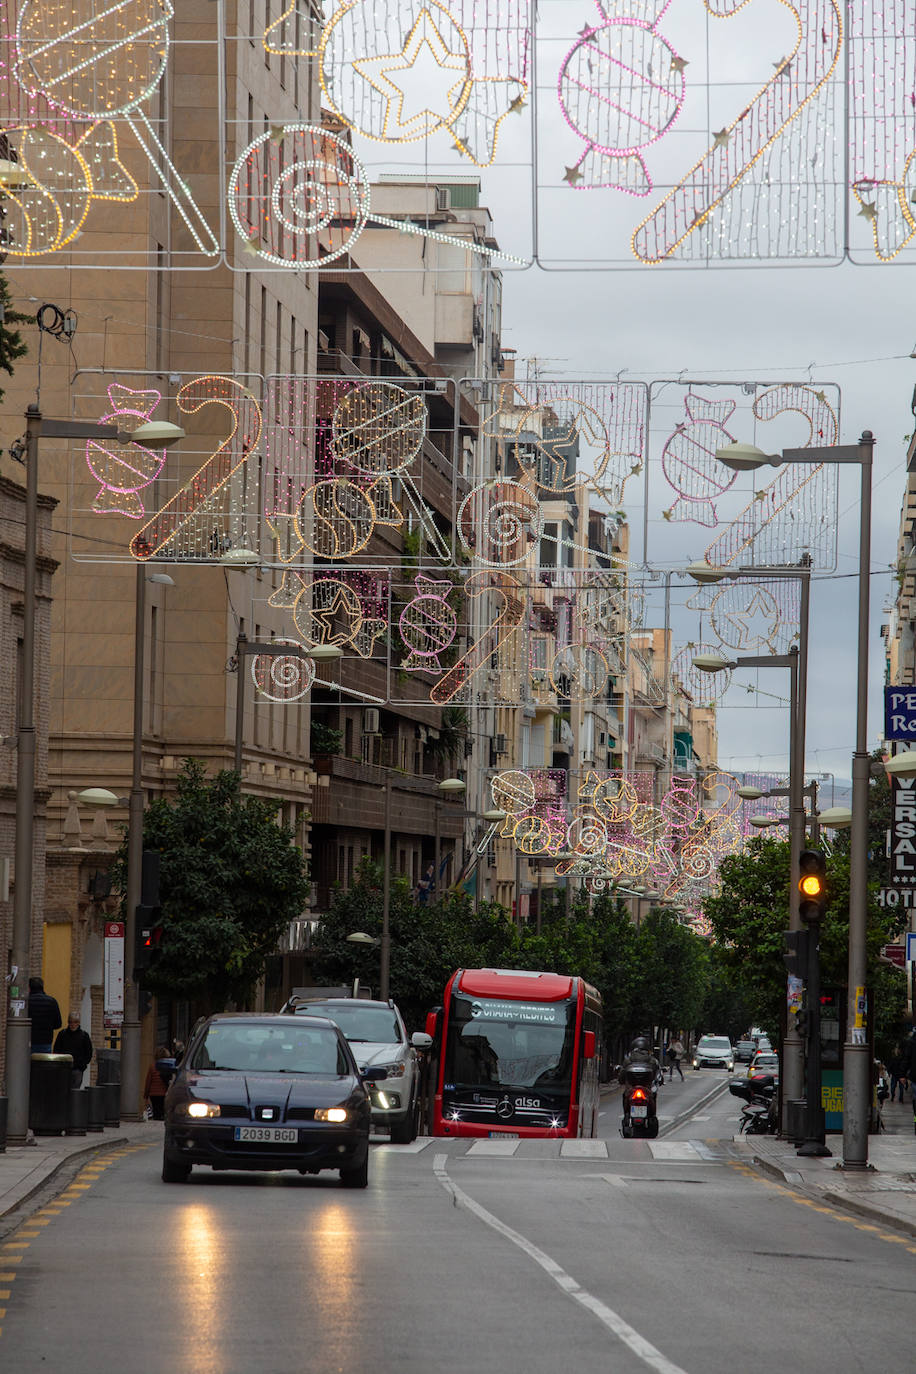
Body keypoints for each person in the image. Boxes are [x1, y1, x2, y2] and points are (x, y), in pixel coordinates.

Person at [54, 1011, 94, 1089]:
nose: (72, 1024)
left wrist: (82, 1065)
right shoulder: (62, 1034)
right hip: (64, 1068)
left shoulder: (84, 1036)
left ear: (78, 1023)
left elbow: (88, 1052)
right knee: (64, 1089)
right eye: (70, 1022)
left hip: (77, 1069)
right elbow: (56, 1050)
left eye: (75, 1022)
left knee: (75, 1091)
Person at [27, 975, 62, 1054]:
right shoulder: (52, 1001)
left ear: (29, 988)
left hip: (28, 1040)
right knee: (42, 1064)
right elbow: (58, 1024)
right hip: (45, 1041)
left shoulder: (27, 1002)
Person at [144, 1045, 174, 1120]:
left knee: (156, 1112)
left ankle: (155, 1121)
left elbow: (148, 1081)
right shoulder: (168, 1066)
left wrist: (146, 1094)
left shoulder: (152, 1066)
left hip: (153, 1094)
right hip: (164, 1093)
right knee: (163, 1112)